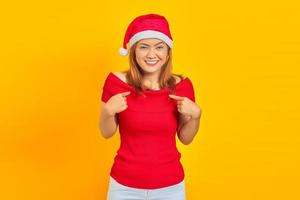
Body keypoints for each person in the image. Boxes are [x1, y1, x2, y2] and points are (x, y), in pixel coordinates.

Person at [99, 13, 202, 200]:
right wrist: (107, 111)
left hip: (171, 187)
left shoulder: (182, 86)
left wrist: (196, 116)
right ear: (134, 51)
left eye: (159, 47)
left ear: (168, 52)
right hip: (124, 186)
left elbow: (186, 139)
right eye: (144, 47)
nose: (151, 54)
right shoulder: (116, 83)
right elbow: (107, 133)